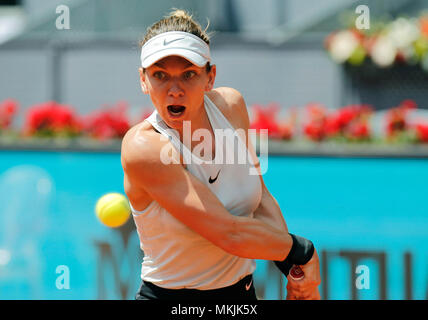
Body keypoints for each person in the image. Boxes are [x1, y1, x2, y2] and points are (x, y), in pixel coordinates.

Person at [121, 9, 321, 300]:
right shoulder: (144, 148)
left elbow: (260, 199)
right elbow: (229, 234)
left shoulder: (231, 106)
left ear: (210, 76)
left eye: (188, 74)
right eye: (160, 76)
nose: (174, 90)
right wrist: (303, 252)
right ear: (143, 80)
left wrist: (293, 269)